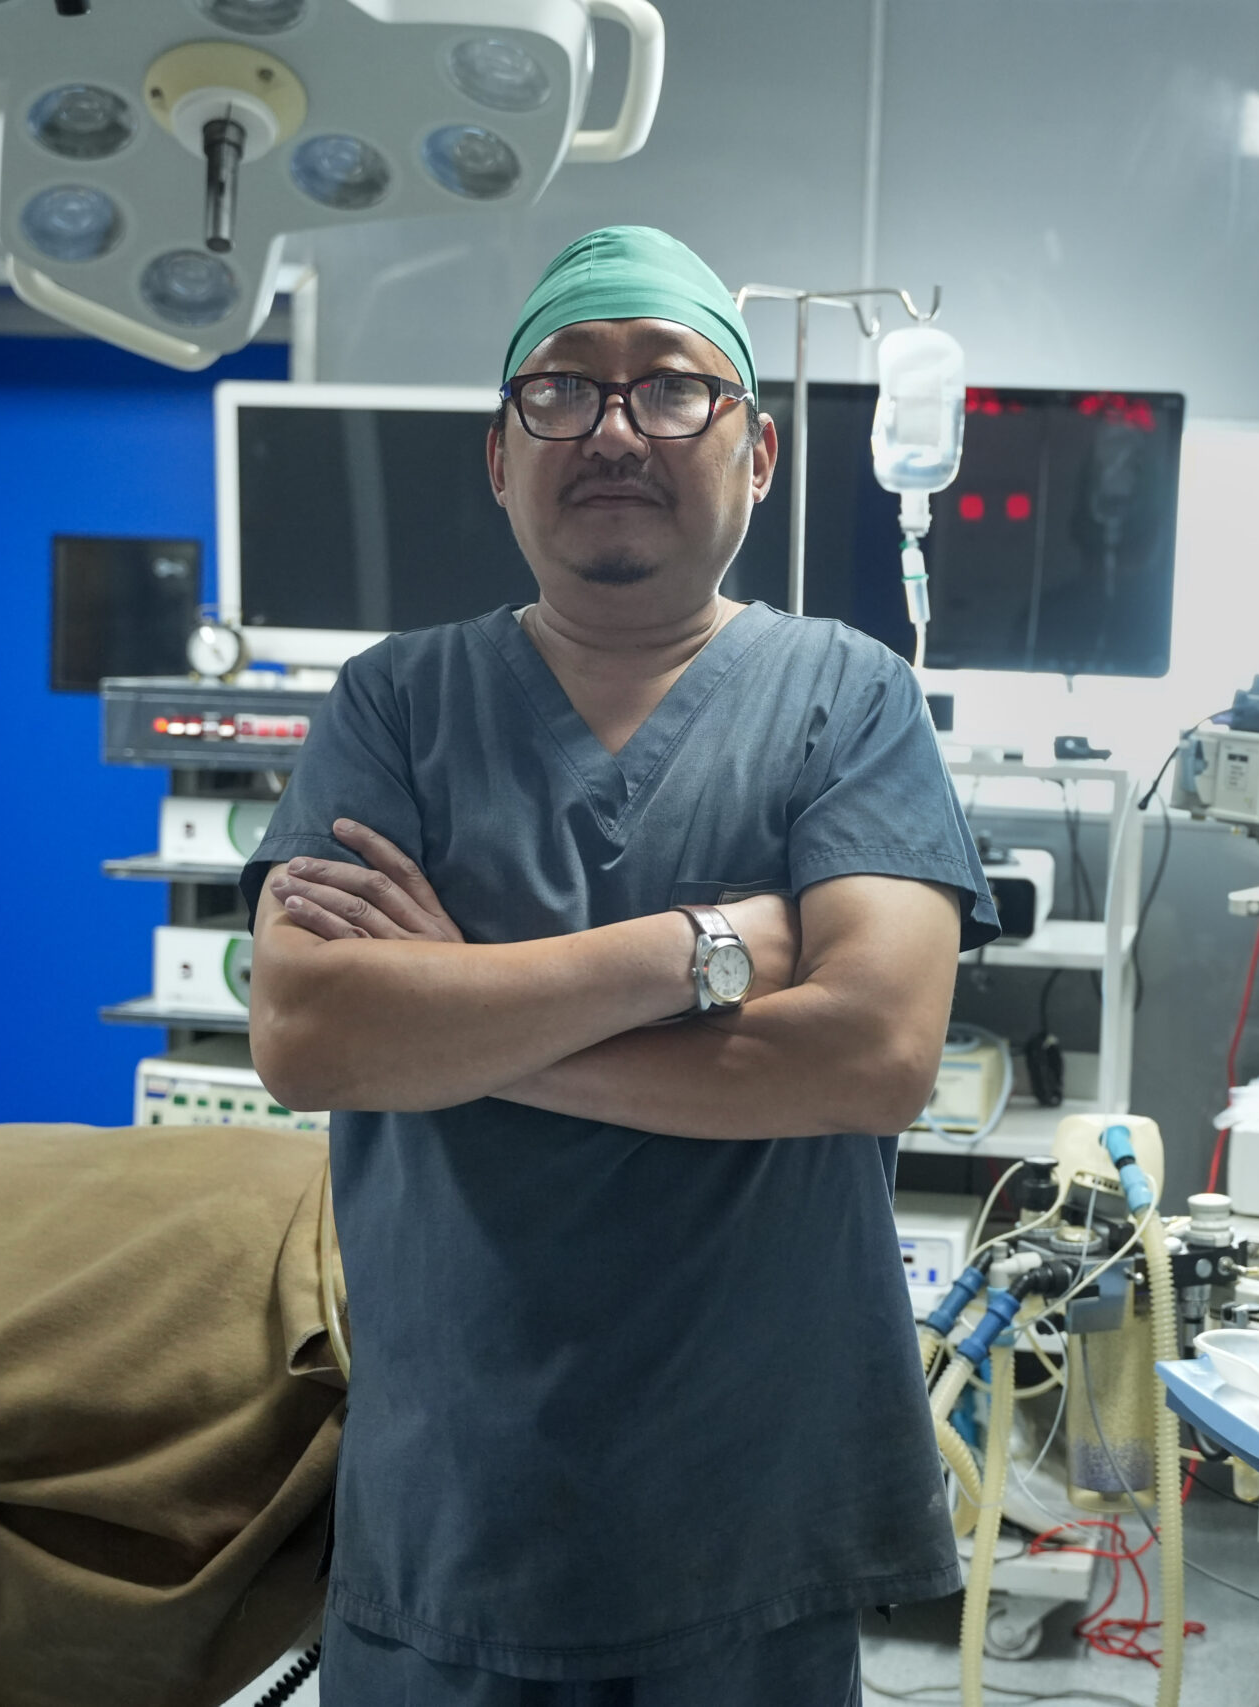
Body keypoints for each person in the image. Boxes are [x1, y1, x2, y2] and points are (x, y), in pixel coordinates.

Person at [242, 225, 999, 1704]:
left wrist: (463, 1024)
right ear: (498, 455)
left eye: (670, 388)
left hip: (750, 1514)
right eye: (561, 390)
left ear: (759, 452)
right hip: (456, 1504)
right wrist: (700, 949)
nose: (611, 429)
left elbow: (871, 1056)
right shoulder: (394, 705)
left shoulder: (848, 699)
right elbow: (311, 1039)